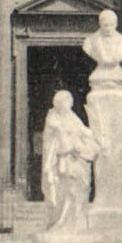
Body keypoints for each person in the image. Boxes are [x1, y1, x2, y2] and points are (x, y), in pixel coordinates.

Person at [41, 90, 99, 233]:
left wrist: (93, 136)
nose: (68, 105)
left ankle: (75, 224)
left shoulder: (72, 117)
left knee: (77, 191)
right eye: (66, 102)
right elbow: (54, 142)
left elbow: (83, 131)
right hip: (63, 161)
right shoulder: (53, 119)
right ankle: (61, 223)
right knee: (66, 192)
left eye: (69, 102)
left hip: (77, 160)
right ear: (58, 104)